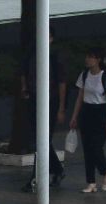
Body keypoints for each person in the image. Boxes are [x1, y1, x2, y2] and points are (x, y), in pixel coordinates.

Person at [20, 27, 68, 192]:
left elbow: (62, 82)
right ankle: (57, 170)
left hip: (51, 101)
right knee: (40, 139)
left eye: (47, 36)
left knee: (43, 140)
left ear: (52, 39)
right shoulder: (32, 53)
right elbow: (24, 71)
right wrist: (25, 88)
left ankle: (36, 177)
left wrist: (61, 108)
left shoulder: (54, 56)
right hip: (34, 98)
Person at [69, 47, 106, 193]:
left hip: (100, 113)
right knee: (87, 149)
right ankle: (91, 182)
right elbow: (79, 98)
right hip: (87, 112)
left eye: (91, 57)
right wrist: (74, 117)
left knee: (96, 147)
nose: (87, 59)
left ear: (98, 60)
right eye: (87, 56)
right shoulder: (84, 75)